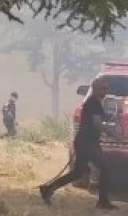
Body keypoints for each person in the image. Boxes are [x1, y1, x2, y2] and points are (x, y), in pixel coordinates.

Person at [38, 77, 117, 209]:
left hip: (84, 142)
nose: (105, 91)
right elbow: (97, 124)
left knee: (77, 173)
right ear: (95, 89)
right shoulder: (94, 103)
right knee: (105, 169)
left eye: (106, 88)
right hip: (88, 143)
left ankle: (48, 189)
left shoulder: (92, 102)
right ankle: (103, 202)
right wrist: (113, 134)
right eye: (103, 88)